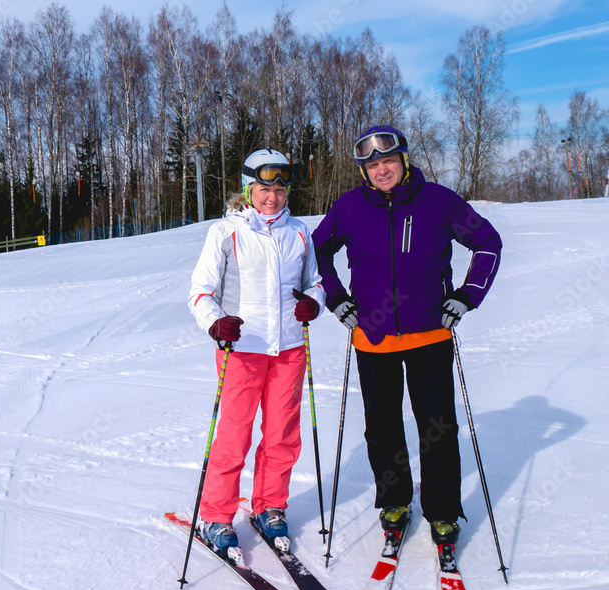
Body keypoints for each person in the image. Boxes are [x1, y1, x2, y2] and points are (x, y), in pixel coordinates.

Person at [311, 125, 502, 545]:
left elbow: (487, 240)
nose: (382, 170)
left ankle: (442, 511)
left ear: (405, 159)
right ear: (363, 171)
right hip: (373, 337)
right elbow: (316, 254)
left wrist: (467, 296)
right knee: (382, 427)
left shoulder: (437, 200)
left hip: (430, 335)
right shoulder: (348, 207)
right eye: (372, 165)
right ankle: (394, 500)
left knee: (437, 427)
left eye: (388, 161)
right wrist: (337, 299)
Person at [188, 148, 325, 554]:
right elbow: (200, 291)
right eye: (264, 189)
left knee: (283, 434)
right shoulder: (226, 232)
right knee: (233, 435)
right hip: (242, 349)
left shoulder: (299, 231)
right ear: (249, 190)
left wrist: (313, 302)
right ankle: (215, 515)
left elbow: (314, 281)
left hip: (289, 348)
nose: (272, 197)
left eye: (280, 190)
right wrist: (216, 321)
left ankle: (269, 507)